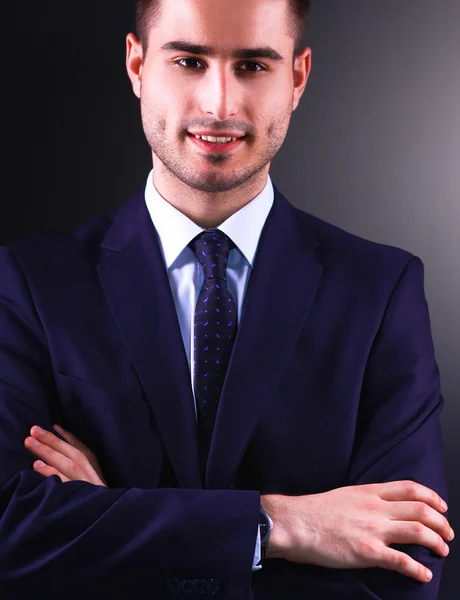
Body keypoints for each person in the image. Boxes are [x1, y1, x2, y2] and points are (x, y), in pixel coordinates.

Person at [0, 0, 453, 598]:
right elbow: (10, 536)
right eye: (189, 60)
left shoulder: (382, 291)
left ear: (297, 77)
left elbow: (406, 569)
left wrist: (110, 515)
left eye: (253, 66)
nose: (219, 105)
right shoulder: (29, 283)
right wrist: (277, 526)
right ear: (137, 65)